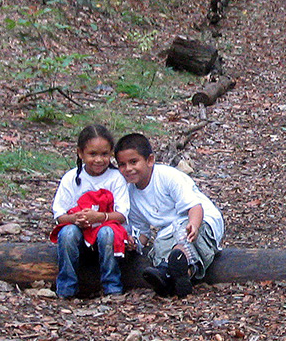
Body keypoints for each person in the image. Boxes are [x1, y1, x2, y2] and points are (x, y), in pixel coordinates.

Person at [115, 132, 224, 298]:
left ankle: (172, 269)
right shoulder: (130, 193)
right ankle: (178, 275)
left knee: (184, 237)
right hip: (169, 231)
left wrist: (194, 225)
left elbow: (195, 207)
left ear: (150, 160)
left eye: (133, 162)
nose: (128, 169)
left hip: (200, 219)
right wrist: (134, 243)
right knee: (160, 245)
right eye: (122, 165)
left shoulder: (167, 177)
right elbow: (143, 231)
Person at [50, 125, 132, 298]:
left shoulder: (116, 178)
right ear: (81, 153)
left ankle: (112, 285)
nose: (99, 160)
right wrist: (75, 219)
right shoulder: (72, 178)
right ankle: (66, 287)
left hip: (106, 231)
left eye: (104, 154)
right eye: (92, 154)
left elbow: (122, 214)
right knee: (67, 233)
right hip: (80, 231)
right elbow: (59, 215)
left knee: (108, 233)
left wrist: (100, 217)